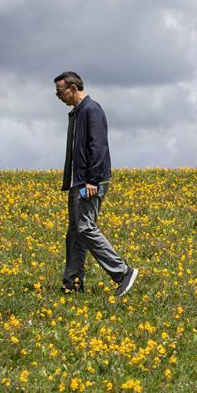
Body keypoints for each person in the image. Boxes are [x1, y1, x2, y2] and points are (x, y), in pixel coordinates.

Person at [54, 71, 137, 297]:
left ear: (73, 87)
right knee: (74, 233)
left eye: (60, 92)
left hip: (90, 181)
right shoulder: (77, 113)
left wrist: (91, 180)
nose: (58, 96)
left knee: (85, 227)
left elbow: (98, 147)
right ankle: (72, 283)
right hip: (77, 181)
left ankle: (122, 272)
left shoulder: (92, 110)